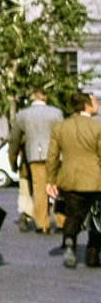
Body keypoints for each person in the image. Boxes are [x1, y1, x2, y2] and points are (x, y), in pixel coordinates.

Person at [45, 91, 101, 269]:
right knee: (96, 218)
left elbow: (52, 156)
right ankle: (92, 256)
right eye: (95, 102)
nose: (97, 105)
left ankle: (69, 240)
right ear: (87, 106)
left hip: (69, 179)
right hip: (95, 181)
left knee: (73, 215)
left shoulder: (61, 127)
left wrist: (50, 180)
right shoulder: (97, 127)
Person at [9, 89, 65, 236]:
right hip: (55, 156)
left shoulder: (22, 115)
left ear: (31, 98)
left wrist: (12, 160)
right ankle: (61, 222)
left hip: (35, 155)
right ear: (45, 98)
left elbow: (14, 140)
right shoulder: (56, 113)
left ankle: (42, 224)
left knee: (39, 190)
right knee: (57, 188)